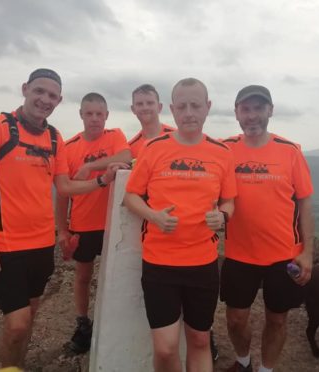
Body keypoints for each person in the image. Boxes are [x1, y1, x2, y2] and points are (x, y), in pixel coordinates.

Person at [0, 69, 128, 369]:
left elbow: (65, 187)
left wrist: (101, 181)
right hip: (5, 244)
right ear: (25, 89)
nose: (44, 100)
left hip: (42, 244)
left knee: (29, 317)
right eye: (39, 91)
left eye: (51, 95)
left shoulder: (53, 137)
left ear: (58, 101)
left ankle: (15, 366)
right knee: (18, 324)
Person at [124, 78, 237, 372]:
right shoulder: (153, 148)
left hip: (203, 263)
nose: (189, 112)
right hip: (159, 262)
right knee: (165, 348)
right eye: (182, 106)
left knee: (200, 340)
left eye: (195, 105)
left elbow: (229, 202)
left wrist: (222, 216)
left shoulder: (222, 152)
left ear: (207, 108)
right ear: (172, 110)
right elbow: (131, 196)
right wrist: (154, 216)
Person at [220, 85, 314, 372]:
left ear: (270, 111)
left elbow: (305, 203)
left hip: (284, 255)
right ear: (236, 113)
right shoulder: (224, 149)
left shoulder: (290, 152)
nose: (252, 116)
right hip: (239, 253)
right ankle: (244, 361)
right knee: (235, 318)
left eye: (259, 108)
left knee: (277, 318)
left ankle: (266, 369)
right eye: (245, 109)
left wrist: (308, 252)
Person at [55, 92, 131, 353]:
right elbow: (62, 193)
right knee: (83, 276)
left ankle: (116, 322)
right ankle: (83, 323)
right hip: (83, 223)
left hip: (113, 223)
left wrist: (90, 167)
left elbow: (126, 154)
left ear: (107, 116)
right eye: (89, 113)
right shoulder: (68, 147)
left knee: (118, 276)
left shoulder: (115, 136)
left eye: (100, 114)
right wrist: (62, 229)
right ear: (81, 115)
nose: (95, 119)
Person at [128, 84, 174, 158]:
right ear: (133, 109)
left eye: (150, 103)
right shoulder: (130, 148)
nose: (145, 107)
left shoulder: (178, 137)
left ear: (159, 107)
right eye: (140, 104)